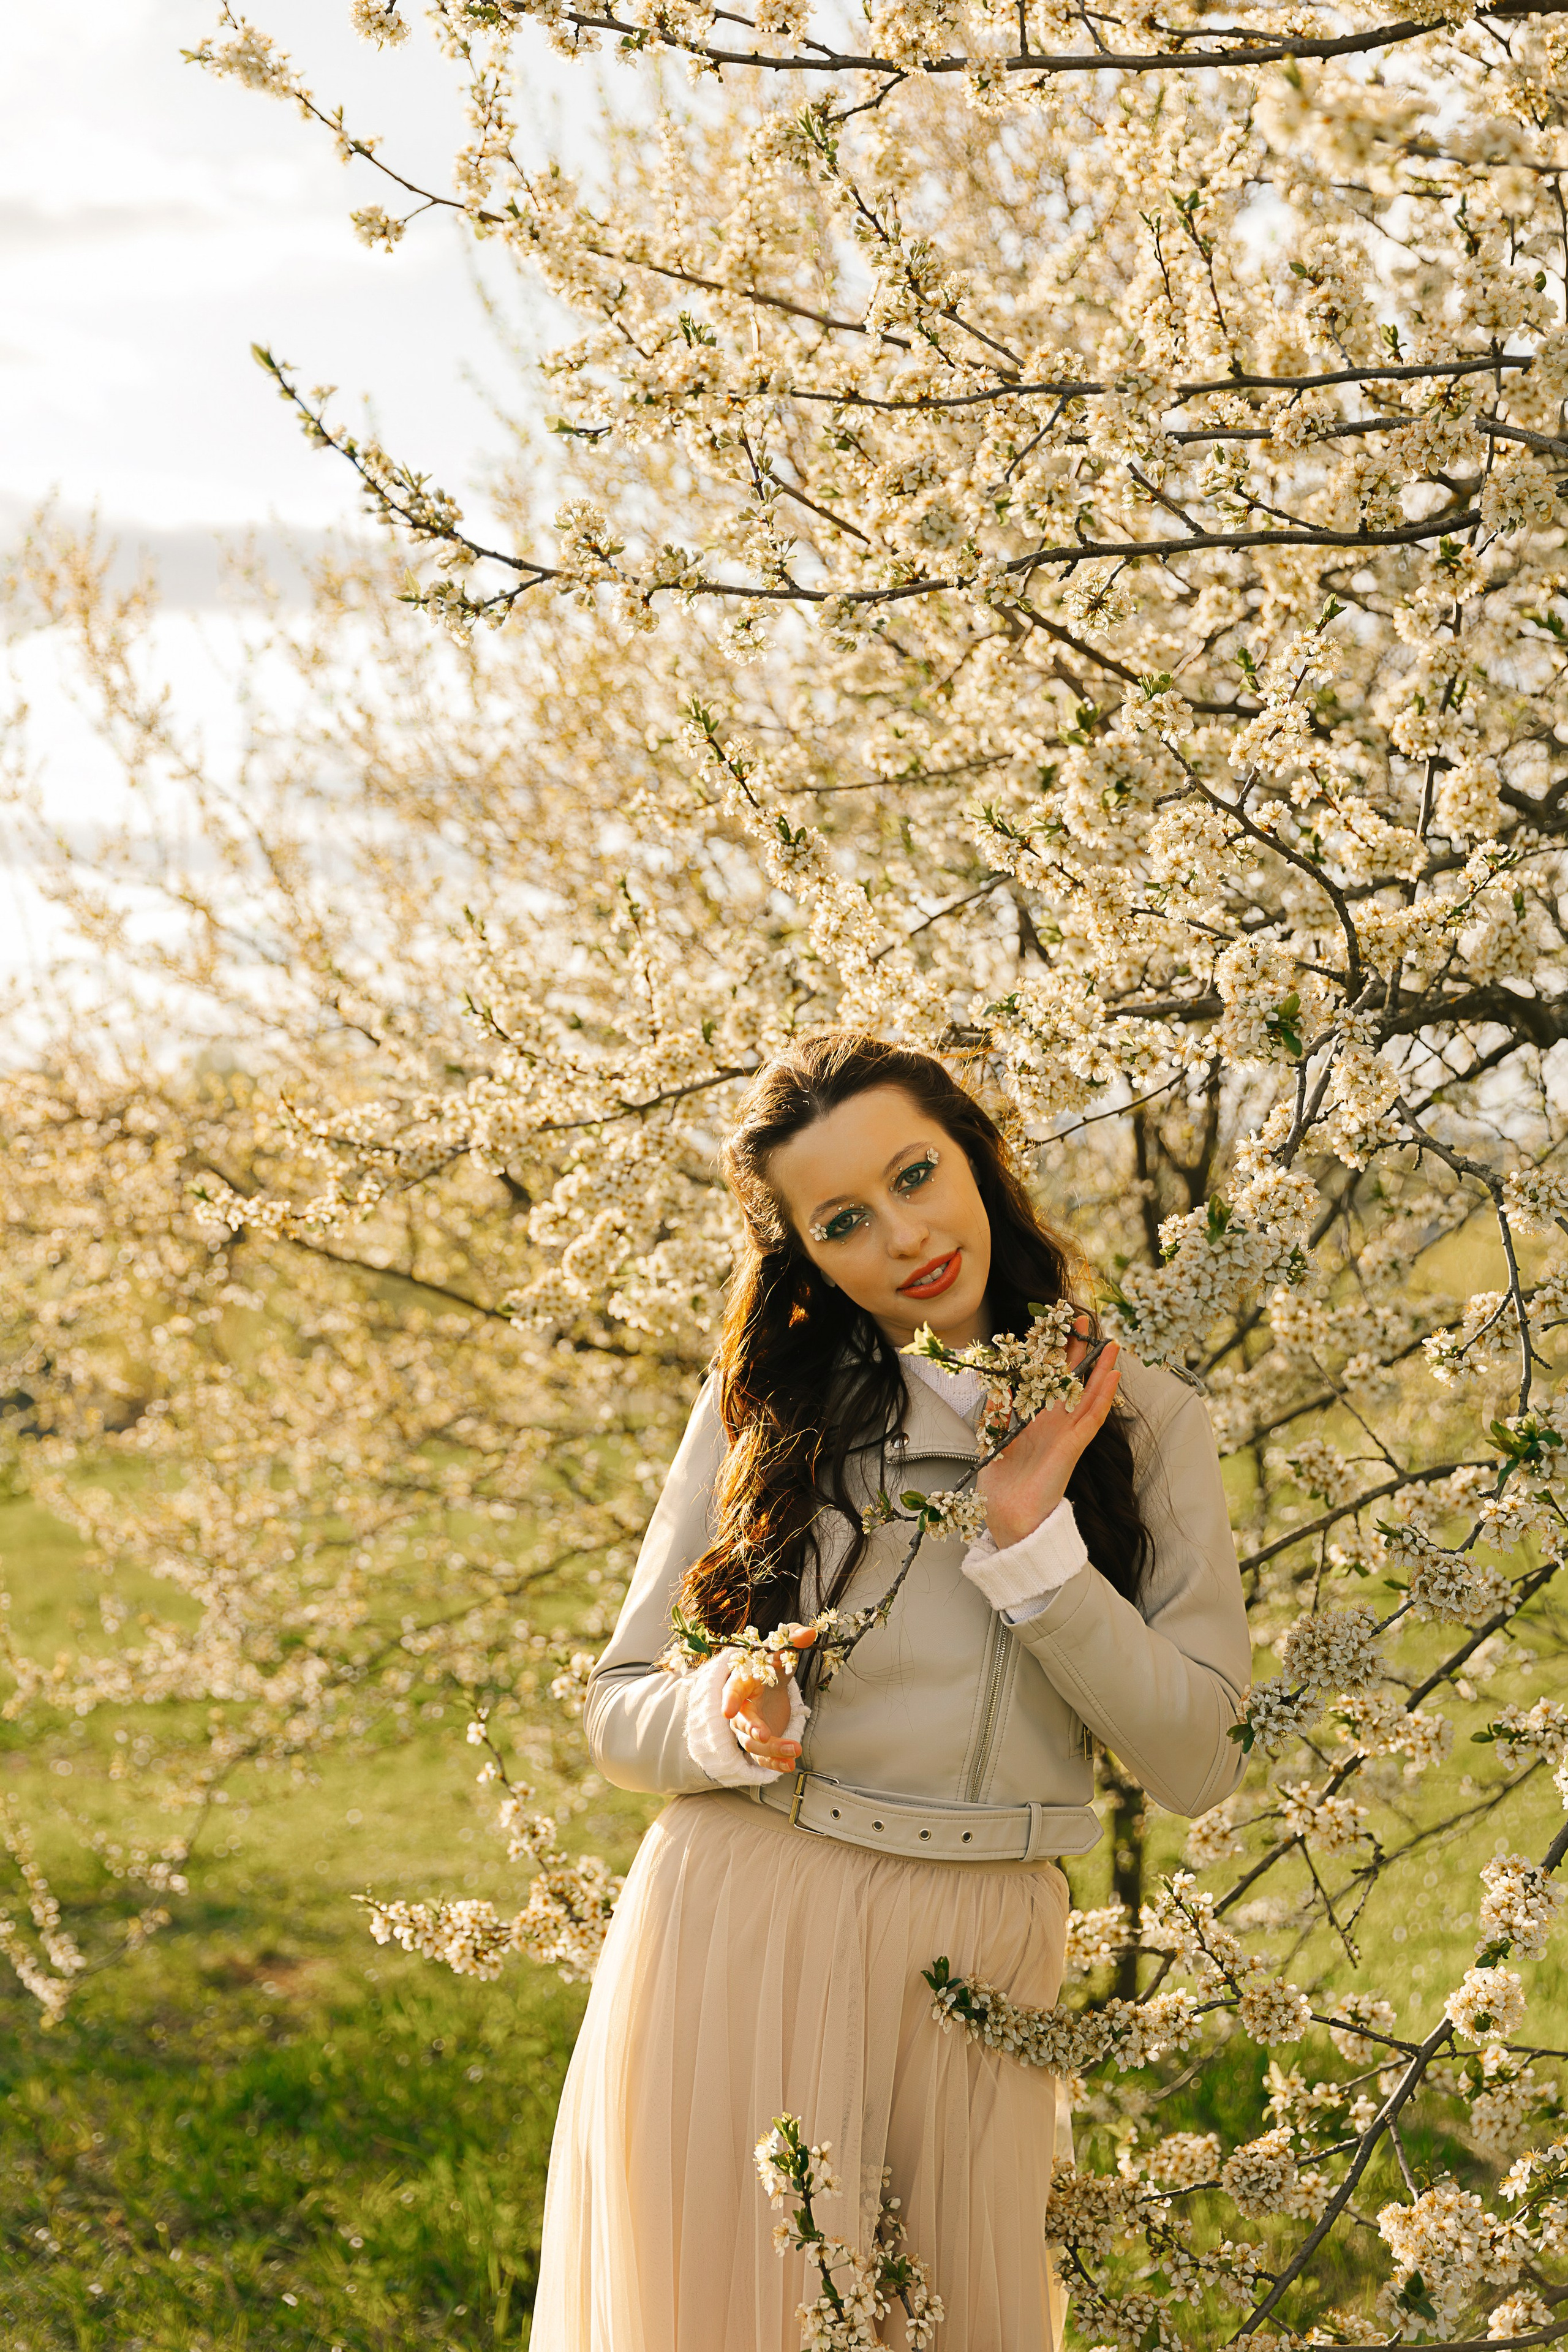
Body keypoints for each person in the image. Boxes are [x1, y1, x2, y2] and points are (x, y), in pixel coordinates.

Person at [530, 1032, 1250, 2351]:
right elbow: (618, 1705)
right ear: (803, 1251)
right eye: (844, 1220)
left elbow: (1199, 1758)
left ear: (975, 1154)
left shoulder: (1145, 1421)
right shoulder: (765, 1405)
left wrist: (1034, 1549)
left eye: (916, 1173)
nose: (903, 1235)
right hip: (739, 1922)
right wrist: (728, 1711)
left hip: (977, 1956)